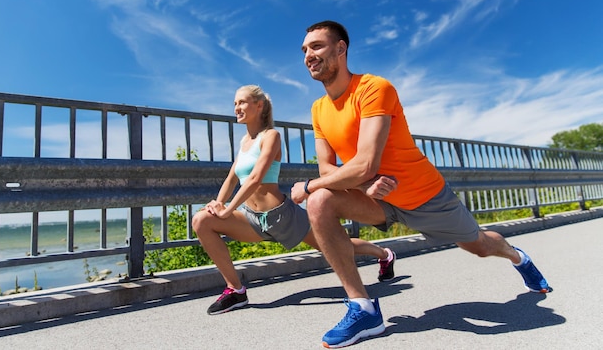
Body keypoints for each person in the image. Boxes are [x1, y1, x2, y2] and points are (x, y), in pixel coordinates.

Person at [291, 20, 551, 349]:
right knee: (320, 202)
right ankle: (363, 308)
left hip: (424, 196)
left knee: (481, 245)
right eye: (304, 50)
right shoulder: (318, 109)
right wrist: (359, 186)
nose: (308, 56)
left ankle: (519, 258)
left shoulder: (373, 88)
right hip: (378, 199)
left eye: (316, 47)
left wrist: (314, 183)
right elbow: (328, 167)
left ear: (341, 49)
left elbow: (366, 161)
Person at [192, 84, 396, 316]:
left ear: (258, 106)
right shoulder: (244, 142)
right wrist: (218, 203)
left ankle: (384, 254)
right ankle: (235, 290)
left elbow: (256, 178)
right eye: (235, 104)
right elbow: (232, 177)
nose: (236, 108)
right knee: (202, 221)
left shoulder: (272, 136)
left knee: (339, 246)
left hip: (283, 217)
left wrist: (228, 210)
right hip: (251, 219)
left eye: (241, 102)